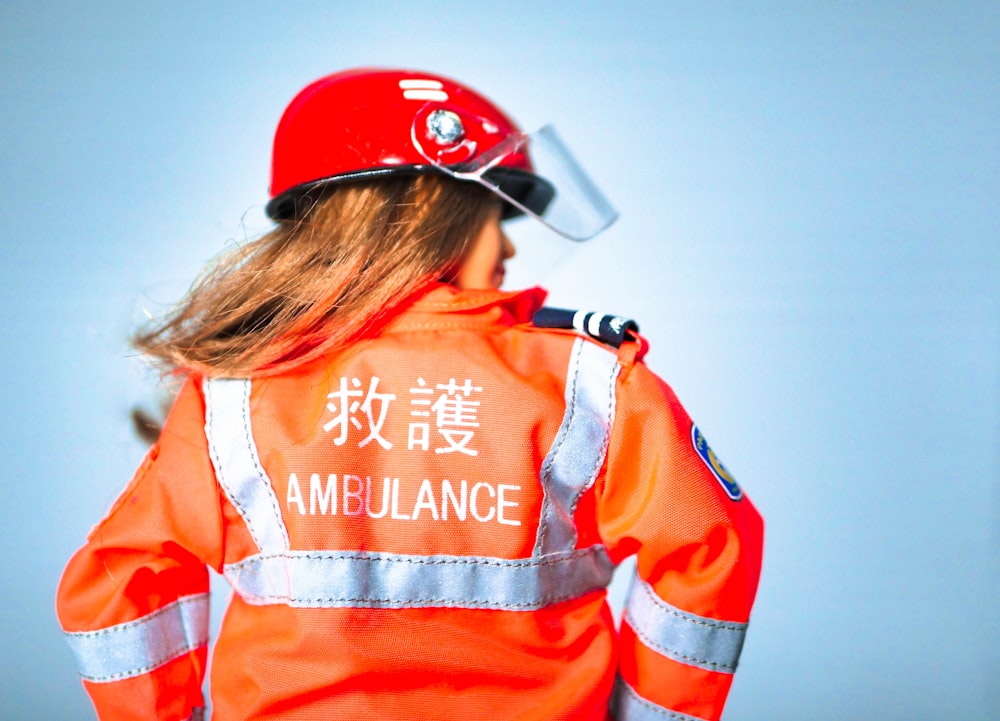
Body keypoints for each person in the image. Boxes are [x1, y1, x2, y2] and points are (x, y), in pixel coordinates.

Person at [56, 67, 764, 721]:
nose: (512, 250)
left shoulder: (236, 393)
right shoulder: (590, 382)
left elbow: (119, 583)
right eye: (497, 215)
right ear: (431, 205)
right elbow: (710, 546)